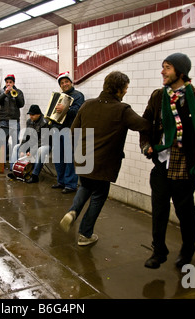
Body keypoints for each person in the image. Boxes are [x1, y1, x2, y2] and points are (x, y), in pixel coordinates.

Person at [140, 53, 195, 269]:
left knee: (185, 211)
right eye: (162, 67)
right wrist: (146, 145)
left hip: (186, 165)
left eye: (167, 67)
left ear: (180, 71)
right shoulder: (158, 96)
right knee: (158, 210)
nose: (162, 72)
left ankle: (187, 249)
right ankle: (158, 251)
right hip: (161, 163)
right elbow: (145, 124)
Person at [59, 71, 150, 246]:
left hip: (84, 158)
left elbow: (73, 132)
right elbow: (142, 125)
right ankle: (85, 234)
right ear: (119, 89)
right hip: (104, 162)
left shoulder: (87, 105)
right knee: (99, 195)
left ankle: (73, 211)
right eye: (125, 89)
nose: (125, 92)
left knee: (85, 186)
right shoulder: (122, 109)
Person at [51, 71, 85, 194]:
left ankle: (71, 185)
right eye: (62, 83)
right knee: (58, 157)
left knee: (69, 159)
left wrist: (65, 109)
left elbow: (78, 111)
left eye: (66, 82)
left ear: (71, 82)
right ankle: (61, 181)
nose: (64, 84)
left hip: (70, 130)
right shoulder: (59, 97)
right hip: (58, 129)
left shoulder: (78, 95)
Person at [8, 104, 50, 183]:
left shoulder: (45, 123)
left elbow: (43, 141)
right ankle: (14, 170)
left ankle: (35, 176)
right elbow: (25, 137)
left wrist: (31, 151)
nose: (31, 116)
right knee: (16, 147)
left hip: (44, 144)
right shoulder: (29, 122)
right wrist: (22, 149)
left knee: (40, 150)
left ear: (39, 114)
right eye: (30, 115)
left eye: (33, 115)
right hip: (32, 143)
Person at [0, 74, 25, 162]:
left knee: (15, 143)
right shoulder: (1, 92)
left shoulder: (18, 92)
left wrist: (15, 94)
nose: (8, 84)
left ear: (13, 83)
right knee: (3, 142)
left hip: (15, 121)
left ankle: (14, 163)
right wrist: (5, 93)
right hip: (4, 121)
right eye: (7, 82)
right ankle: (2, 163)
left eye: (10, 82)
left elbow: (21, 104)